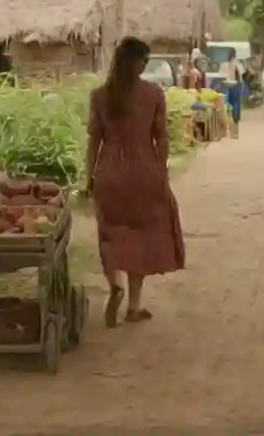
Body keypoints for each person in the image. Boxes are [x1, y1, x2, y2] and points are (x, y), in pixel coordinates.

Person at [86, 37, 186, 328]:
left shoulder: (100, 96)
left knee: (110, 233)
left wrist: (88, 177)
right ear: (138, 62)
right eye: (145, 59)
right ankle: (134, 305)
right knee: (139, 236)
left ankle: (114, 284)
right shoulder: (153, 94)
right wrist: (162, 171)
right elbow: (161, 137)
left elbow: (94, 140)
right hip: (144, 171)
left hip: (109, 172)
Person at [218, 48, 245, 137]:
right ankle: (235, 125)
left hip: (227, 85)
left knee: (226, 104)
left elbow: (220, 75)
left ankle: (226, 125)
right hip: (237, 85)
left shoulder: (223, 65)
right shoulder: (238, 64)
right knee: (236, 104)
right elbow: (242, 73)